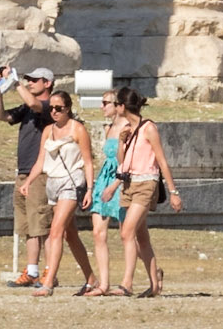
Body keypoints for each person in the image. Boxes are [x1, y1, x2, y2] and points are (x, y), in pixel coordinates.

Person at [22, 89, 97, 295]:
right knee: (70, 234)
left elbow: (88, 162)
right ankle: (91, 278)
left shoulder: (78, 129)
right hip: (52, 183)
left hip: (71, 182)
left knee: (55, 231)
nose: (54, 112)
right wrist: (29, 181)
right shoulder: (48, 130)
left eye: (59, 109)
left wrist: (90, 189)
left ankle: (48, 283)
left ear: (68, 109)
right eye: (52, 108)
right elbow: (40, 161)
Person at [115, 87, 182, 299]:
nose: (115, 107)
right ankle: (154, 283)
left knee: (127, 232)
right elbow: (121, 161)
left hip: (146, 184)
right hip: (129, 184)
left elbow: (162, 160)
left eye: (117, 104)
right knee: (141, 237)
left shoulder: (149, 128)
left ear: (123, 106)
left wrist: (173, 191)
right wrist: (121, 141)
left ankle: (127, 283)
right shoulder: (126, 128)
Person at [0, 64, 56, 287]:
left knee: (43, 225)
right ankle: (32, 271)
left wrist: (15, 81)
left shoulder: (50, 106)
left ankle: (50, 272)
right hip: (23, 172)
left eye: (35, 80)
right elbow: (1, 116)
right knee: (28, 226)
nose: (30, 83)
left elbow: (33, 103)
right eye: (28, 80)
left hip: (40, 173)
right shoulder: (27, 107)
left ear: (47, 83)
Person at [86, 90, 125, 296]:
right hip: (104, 179)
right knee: (98, 232)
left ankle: (152, 272)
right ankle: (104, 283)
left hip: (120, 181)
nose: (102, 107)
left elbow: (126, 162)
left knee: (129, 234)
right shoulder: (109, 128)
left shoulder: (127, 128)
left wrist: (115, 185)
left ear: (117, 104)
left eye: (105, 103)